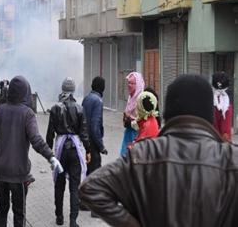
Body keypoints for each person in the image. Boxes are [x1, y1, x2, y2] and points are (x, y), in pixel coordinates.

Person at [79, 74, 238, 227]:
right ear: (208, 114)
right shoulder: (231, 159)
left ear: (168, 112)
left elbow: (90, 187)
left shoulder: (144, 154)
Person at [0, 75, 63, 227]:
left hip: (1, 170)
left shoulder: (0, 111)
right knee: (19, 213)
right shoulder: (27, 113)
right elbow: (36, 140)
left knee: (2, 209)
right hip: (19, 173)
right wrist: (51, 157)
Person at [46, 77, 91, 227]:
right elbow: (84, 132)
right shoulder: (79, 108)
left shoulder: (54, 108)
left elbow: (49, 134)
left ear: (62, 89)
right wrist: (88, 150)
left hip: (60, 150)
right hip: (75, 149)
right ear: (73, 91)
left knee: (59, 185)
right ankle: (73, 220)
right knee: (74, 186)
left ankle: (59, 216)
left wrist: (49, 155)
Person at [82, 76, 107, 176]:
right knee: (95, 174)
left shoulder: (86, 98)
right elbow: (95, 126)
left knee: (89, 171)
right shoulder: (98, 101)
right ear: (102, 88)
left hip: (86, 142)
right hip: (93, 143)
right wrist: (101, 146)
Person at [120, 72, 145, 157]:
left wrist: (130, 122)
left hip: (137, 135)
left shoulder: (141, 99)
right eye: (128, 83)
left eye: (132, 83)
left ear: (138, 84)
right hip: (129, 133)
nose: (129, 85)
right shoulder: (131, 97)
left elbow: (143, 122)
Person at [212, 72, 233, 142]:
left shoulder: (208, 101)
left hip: (208, 141)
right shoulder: (226, 105)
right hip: (220, 146)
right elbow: (225, 132)